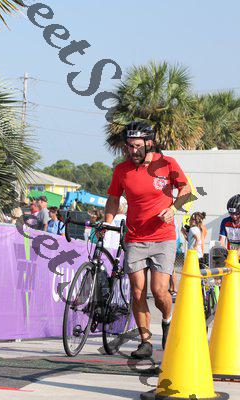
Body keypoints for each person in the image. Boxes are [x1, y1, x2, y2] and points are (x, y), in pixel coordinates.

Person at [103, 120, 192, 359]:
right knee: (137, 291)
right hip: (135, 238)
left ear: (149, 143)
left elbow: (185, 191)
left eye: (137, 146)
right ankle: (145, 342)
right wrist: (107, 222)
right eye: (129, 146)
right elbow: (113, 199)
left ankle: (167, 319)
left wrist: (173, 208)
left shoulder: (168, 164)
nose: (133, 151)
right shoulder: (122, 170)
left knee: (160, 291)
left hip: (163, 238)